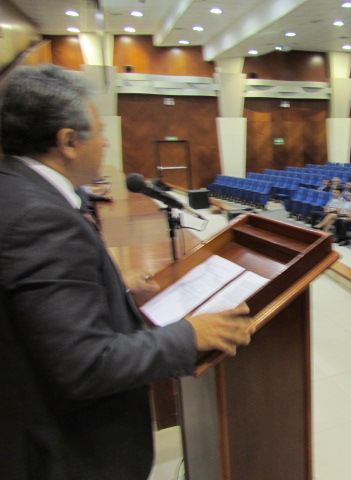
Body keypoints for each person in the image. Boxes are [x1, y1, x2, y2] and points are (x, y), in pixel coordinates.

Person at [0, 64, 255, 480]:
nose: (105, 143)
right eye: (101, 133)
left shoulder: (15, 189)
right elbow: (85, 365)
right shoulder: (39, 218)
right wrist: (189, 336)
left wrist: (113, 291)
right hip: (63, 454)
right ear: (68, 141)